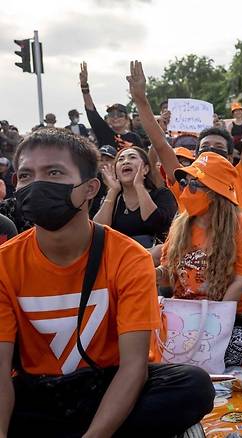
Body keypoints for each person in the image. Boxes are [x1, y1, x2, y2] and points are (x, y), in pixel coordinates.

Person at [0, 128, 214, 437]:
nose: (36, 185)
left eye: (54, 172)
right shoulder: (5, 263)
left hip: (104, 385)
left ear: (90, 189)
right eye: (25, 175)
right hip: (37, 393)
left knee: (192, 385)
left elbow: (133, 367)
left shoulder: (129, 258)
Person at [129, 57, 242, 211]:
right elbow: (160, 144)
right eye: (205, 146)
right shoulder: (184, 180)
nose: (211, 149)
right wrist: (140, 100)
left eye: (218, 146)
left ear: (229, 158)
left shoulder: (240, 178)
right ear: (196, 156)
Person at [157, 153, 242, 367]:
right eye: (185, 183)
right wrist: (151, 273)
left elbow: (241, 280)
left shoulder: (241, 225)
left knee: (233, 348)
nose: (186, 190)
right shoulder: (180, 225)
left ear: (215, 193)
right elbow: (167, 274)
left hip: (235, 317)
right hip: (184, 317)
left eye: (194, 185)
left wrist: (216, 323)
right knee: (151, 344)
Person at [93, 146, 177, 248]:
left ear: (145, 169)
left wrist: (139, 185)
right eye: (121, 159)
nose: (126, 162)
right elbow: (98, 231)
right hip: (120, 258)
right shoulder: (114, 198)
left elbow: (155, 223)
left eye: (132, 157)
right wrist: (113, 190)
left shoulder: (162, 194)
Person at [79, 62, 143, 150]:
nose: (115, 117)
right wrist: (84, 86)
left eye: (120, 115)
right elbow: (91, 110)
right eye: (112, 115)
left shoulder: (135, 138)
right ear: (108, 119)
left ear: (127, 119)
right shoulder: (103, 131)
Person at [89, 145, 117, 218]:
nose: (104, 163)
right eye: (101, 160)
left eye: (107, 160)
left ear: (115, 162)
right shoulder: (91, 181)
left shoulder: (122, 180)